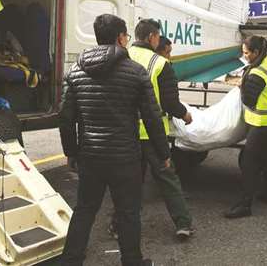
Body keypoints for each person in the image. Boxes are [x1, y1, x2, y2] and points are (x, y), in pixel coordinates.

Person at [59, 14, 168, 266]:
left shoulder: (76, 71)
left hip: (90, 157)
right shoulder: (136, 72)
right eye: (126, 36)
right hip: (125, 158)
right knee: (128, 212)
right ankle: (132, 261)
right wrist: (163, 154)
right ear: (121, 38)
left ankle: (70, 260)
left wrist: (71, 152)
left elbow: (65, 118)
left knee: (85, 209)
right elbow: (152, 118)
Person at [127, 18, 195, 239]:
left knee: (129, 181)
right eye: (157, 36)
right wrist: (185, 115)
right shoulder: (160, 63)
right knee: (167, 178)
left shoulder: (122, 56)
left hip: (126, 133)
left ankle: (119, 225)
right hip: (151, 133)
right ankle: (183, 223)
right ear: (151, 37)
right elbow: (169, 102)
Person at [225, 35, 267, 219]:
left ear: (256, 52)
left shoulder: (257, 74)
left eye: (246, 53)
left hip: (261, 122)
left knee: (247, 162)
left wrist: (241, 85)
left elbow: (248, 100)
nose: (244, 56)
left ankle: (245, 204)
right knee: (264, 156)